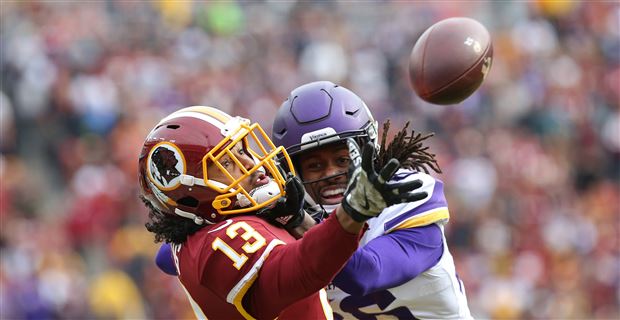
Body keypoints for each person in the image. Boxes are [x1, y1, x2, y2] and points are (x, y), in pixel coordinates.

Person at [139, 105, 427, 319]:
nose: (251, 163)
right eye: (227, 163)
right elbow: (300, 271)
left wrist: (289, 217)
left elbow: (168, 255)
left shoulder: (201, 229)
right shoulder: (220, 240)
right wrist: (350, 215)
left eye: (242, 149)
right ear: (191, 190)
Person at [269, 81, 473, 319]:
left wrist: (300, 223)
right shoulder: (285, 218)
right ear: (291, 171)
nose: (331, 174)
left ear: (369, 151)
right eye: (315, 166)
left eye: (343, 160)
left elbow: (365, 275)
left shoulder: (406, 196)